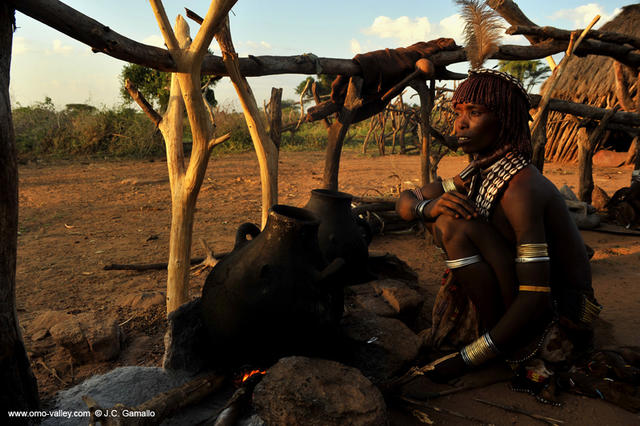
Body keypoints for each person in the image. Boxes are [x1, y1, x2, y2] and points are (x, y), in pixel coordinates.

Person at [396, 69, 600, 401]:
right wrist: (427, 208)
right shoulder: (477, 172)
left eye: (474, 113)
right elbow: (406, 201)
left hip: (555, 313)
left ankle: (506, 353)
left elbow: (535, 294)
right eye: (457, 113)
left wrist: (467, 360)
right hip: (517, 294)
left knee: (453, 224)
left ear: (503, 119)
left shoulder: (521, 187)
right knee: (445, 217)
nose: (460, 123)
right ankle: (494, 338)